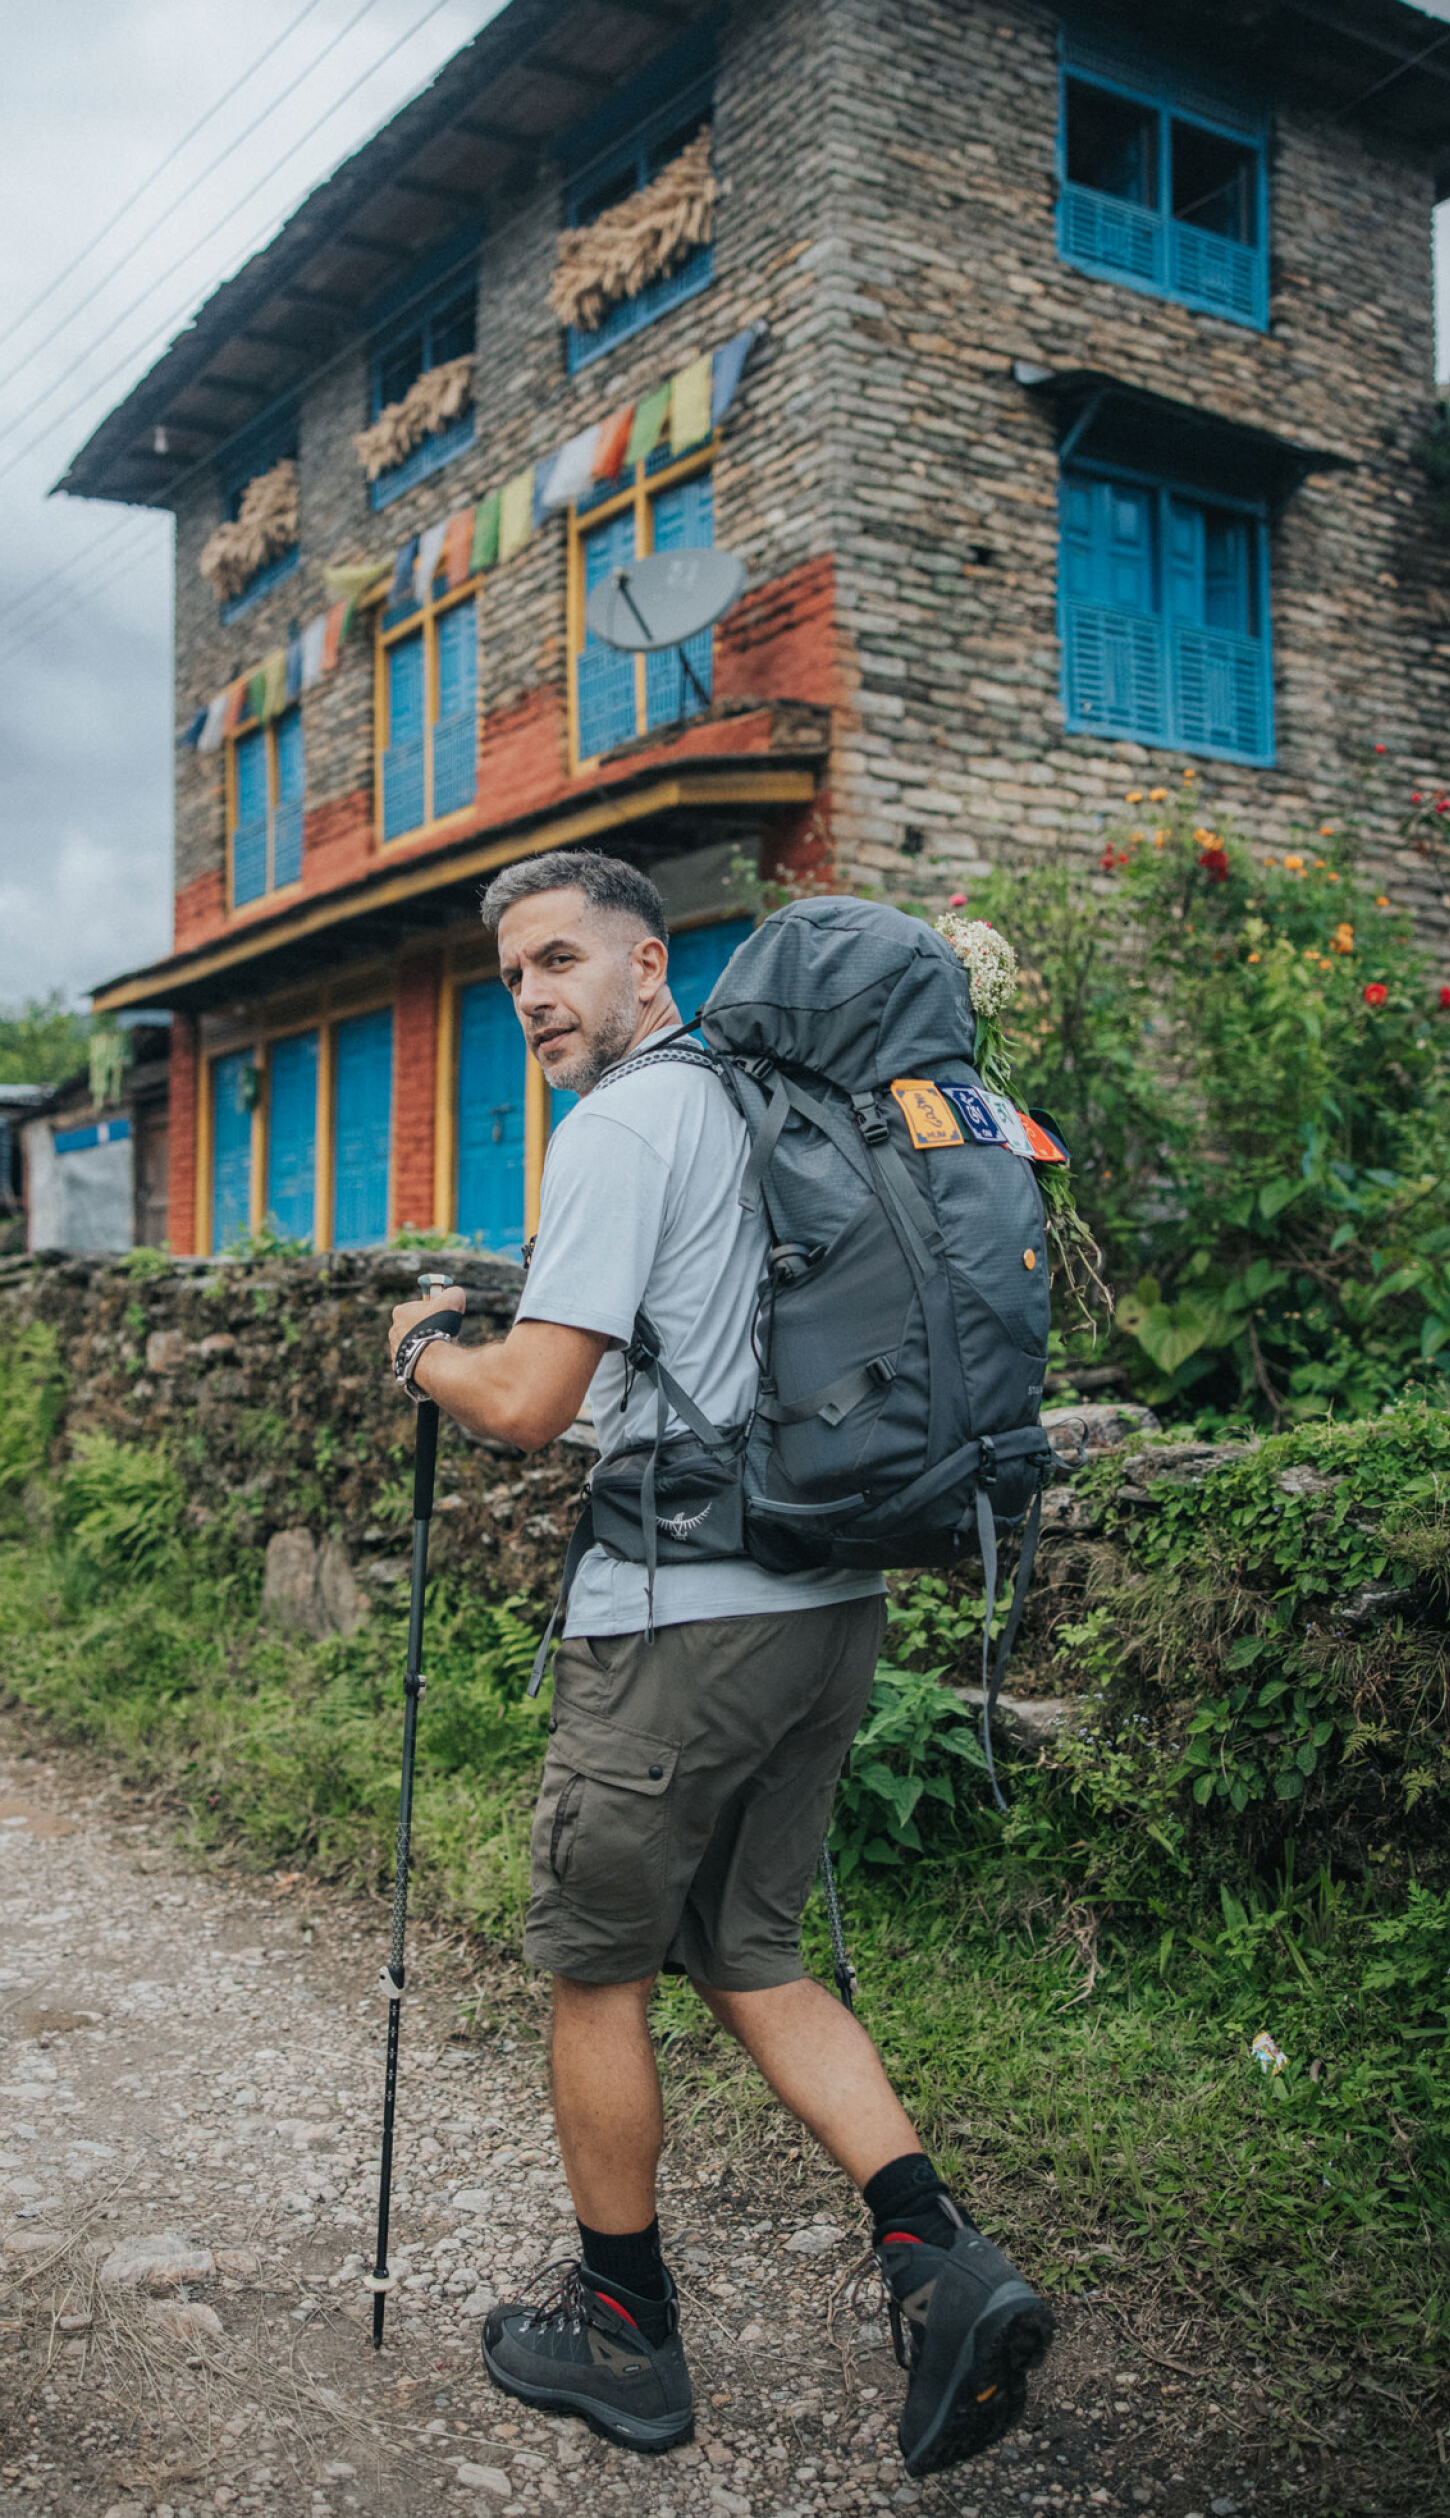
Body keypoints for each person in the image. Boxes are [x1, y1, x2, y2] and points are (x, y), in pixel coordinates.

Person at [385, 849, 1050, 2475]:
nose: (536, 994)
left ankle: (624, 2336)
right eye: (515, 974)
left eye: (561, 961)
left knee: (596, 1968)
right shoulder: (776, 1109)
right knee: (752, 1953)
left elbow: (536, 1403)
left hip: (678, 1617)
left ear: (650, 964)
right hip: (831, 1602)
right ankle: (941, 2261)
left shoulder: (620, 1122)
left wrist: (422, 1353)